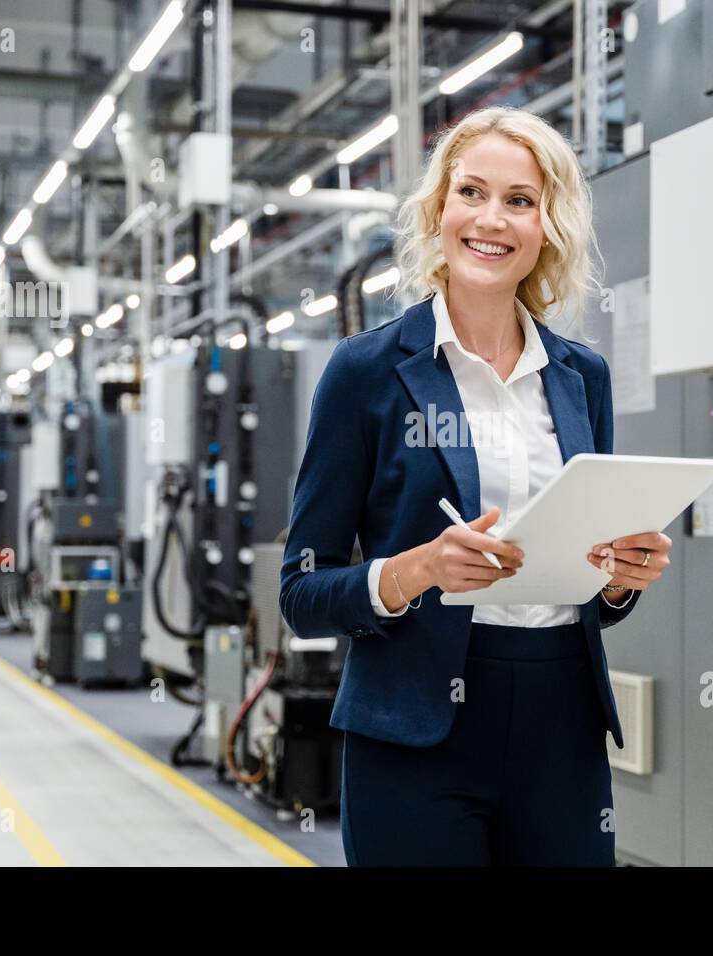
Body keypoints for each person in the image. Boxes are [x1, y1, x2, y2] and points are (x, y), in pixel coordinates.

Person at [279, 106, 672, 866]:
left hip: (563, 725)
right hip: (415, 728)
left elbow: (586, 592)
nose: (491, 219)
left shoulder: (579, 375)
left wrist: (621, 580)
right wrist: (412, 572)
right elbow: (301, 592)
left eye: (520, 200)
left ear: (548, 226)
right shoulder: (366, 373)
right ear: (438, 210)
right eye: (471, 192)